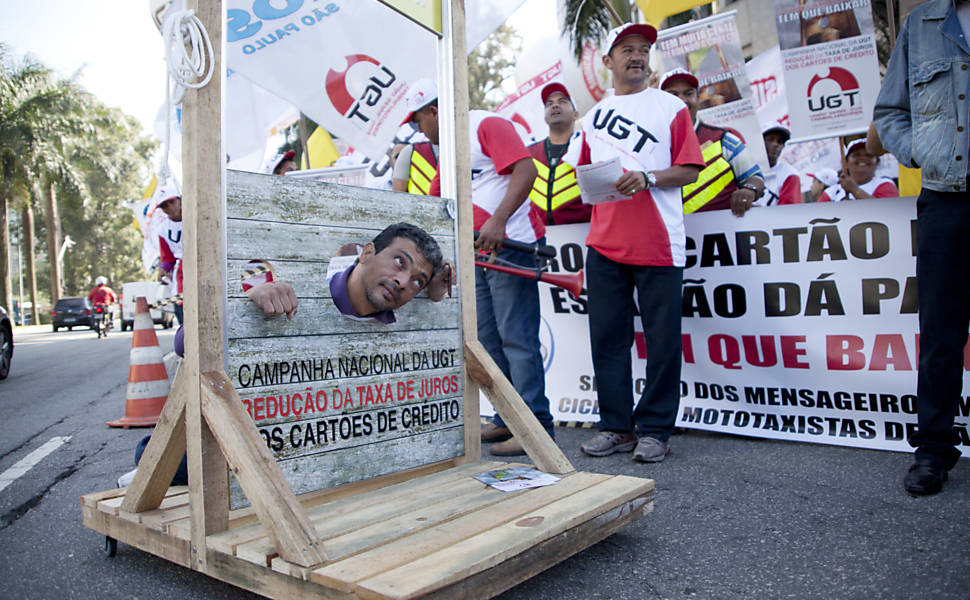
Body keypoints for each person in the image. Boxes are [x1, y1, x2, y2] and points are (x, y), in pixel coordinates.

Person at [570, 24, 703, 462]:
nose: (637, 56)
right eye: (626, 49)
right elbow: (584, 179)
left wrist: (648, 178)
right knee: (607, 339)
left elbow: (689, 169)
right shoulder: (589, 119)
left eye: (643, 49)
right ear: (607, 61)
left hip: (659, 243)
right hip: (605, 243)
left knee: (662, 341)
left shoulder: (670, 107)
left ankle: (657, 429)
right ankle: (616, 426)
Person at [405, 78, 554, 457]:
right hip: (473, 254)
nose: (418, 130)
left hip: (509, 245)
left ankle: (535, 425)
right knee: (487, 340)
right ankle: (507, 417)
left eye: (418, 120)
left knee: (517, 338)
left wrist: (498, 221)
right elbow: (438, 200)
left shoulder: (486, 123)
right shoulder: (447, 148)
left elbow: (526, 170)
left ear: (433, 111)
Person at [872, 0, 970, 495]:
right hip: (945, 199)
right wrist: (921, 150)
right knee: (940, 334)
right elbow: (890, 112)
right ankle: (933, 450)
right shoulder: (920, 25)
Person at [245, 222, 452, 324]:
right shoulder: (308, 292)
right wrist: (255, 294)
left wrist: (435, 290)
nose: (403, 281)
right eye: (399, 262)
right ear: (367, 253)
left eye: (417, 282)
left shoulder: (399, 316)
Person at [659, 68, 764, 216]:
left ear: (697, 98)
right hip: (669, 235)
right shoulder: (651, 145)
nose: (682, 100)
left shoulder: (724, 139)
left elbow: (755, 178)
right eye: (673, 95)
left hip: (722, 234)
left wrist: (749, 190)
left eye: (689, 93)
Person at [527, 82, 590, 224]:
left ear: (575, 114)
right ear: (545, 117)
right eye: (549, 104)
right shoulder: (528, 154)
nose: (555, 106)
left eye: (562, 102)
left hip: (581, 236)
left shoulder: (587, 149)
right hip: (536, 239)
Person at [818, 139, 899, 201]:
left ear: (876, 162)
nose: (863, 158)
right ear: (845, 163)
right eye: (856, 155)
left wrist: (854, 190)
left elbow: (888, 213)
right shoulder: (832, 193)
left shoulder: (885, 185)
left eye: (869, 155)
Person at [155, 182, 184, 325]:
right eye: (165, 206)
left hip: (207, 267)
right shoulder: (163, 230)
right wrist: (162, 270)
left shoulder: (199, 217)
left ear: (180, 200)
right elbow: (168, 257)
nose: (170, 208)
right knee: (183, 317)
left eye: (172, 202)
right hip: (181, 275)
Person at [760, 122, 802, 205]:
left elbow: (788, 213)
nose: (776, 144)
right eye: (771, 139)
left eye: (780, 142)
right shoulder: (745, 169)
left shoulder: (789, 175)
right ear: (760, 142)